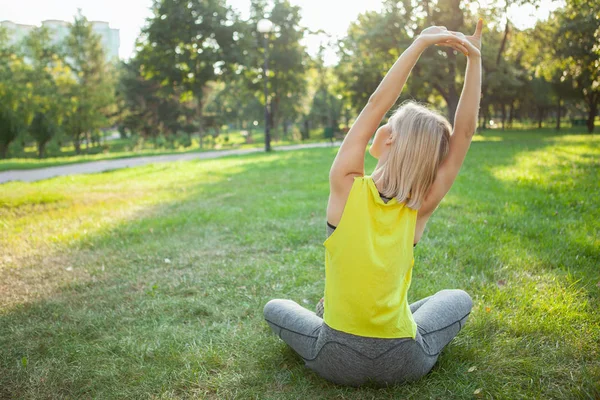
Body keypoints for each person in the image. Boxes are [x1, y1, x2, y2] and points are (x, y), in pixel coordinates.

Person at [264, 20, 484, 387]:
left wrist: (417, 45)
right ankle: (372, 318)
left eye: (388, 124)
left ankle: (330, 311)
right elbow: (464, 132)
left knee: (276, 308)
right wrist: (474, 58)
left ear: (389, 139)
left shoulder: (345, 186)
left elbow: (375, 103)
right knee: (456, 298)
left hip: (334, 356)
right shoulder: (422, 205)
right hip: (403, 359)